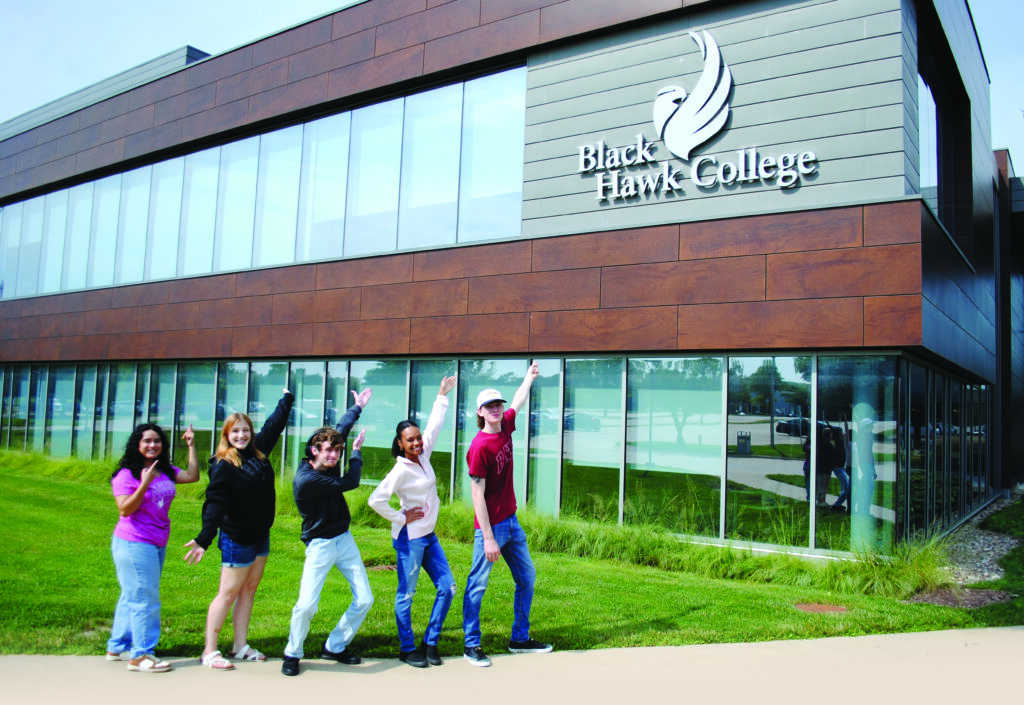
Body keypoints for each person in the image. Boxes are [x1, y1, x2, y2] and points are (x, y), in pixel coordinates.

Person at [184, 388, 294, 671]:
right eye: (236, 432)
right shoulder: (223, 465)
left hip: (260, 536)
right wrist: (204, 538)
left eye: (245, 431)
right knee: (229, 592)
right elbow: (215, 505)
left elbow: (274, 424)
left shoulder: (258, 453)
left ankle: (240, 646)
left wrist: (287, 398)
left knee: (250, 589)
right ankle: (209, 650)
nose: (241, 436)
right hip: (237, 538)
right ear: (227, 435)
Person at [462, 362, 552, 668]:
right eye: (489, 406)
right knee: (478, 584)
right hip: (492, 527)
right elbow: (477, 494)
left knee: (526, 577)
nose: (496, 409)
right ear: (480, 413)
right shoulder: (480, 446)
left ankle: (519, 638)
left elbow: (518, 401)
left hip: (512, 523)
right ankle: (471, 644)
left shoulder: (506, 426)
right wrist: (488, 538)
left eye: (497, 404)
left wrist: (529, 377)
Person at [281, 388, 374, 677]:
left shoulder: (328, 453)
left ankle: (334, 646)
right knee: (306, 605)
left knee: (365, 599)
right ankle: (292, 652)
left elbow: (341, 429)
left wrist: (356, 407)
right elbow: (351, 482)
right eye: (328, 451)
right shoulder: (307, 479)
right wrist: (356, 453)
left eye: (338, 450)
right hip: (320, 544)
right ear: (314, 451)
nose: (334, 455)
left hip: (344, 540)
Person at [368, 376, 458, 669]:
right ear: (400, 444)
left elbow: (434, 426)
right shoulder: (400, 470)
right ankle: (407, 648)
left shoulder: (424, 455)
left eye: (418, 438)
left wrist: (441, 395)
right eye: (411, 440)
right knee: (406, 594)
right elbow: (376, 500)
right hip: (411, 539)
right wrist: (400, 516)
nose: (418, 442)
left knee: (448, 587)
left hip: (429, 536)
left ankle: (430, 642)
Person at [107, 423, 200, 673]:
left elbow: (193, 476)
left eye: (157, 441)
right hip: (134, 542)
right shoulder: (127, 474)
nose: (152, 445)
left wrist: (191, 445)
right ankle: (140, 655)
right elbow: (125, 509)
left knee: (132, 595)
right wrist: (144, 483)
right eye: (147, 441)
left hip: (156, 542)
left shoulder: (165, 471)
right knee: (145, 598)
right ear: (137, 444)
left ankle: (116, 645)